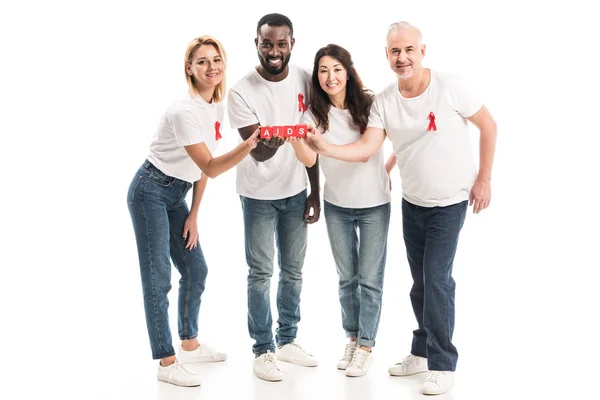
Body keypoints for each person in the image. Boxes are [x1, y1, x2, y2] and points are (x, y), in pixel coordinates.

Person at [305, 22, 497, 395]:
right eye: (395, 51)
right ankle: (422, 352)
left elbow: (489, 127)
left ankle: (443, 364)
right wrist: (384, 168)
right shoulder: (386, 102)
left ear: (422, 51)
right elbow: (368, 149)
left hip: (450, 201)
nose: (402, 57)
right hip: (412, 202)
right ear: (387, 56)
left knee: (437, 280)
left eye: (409, 50)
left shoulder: (452, 86)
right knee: (421, 284)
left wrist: (484, 179)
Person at [127, 35, 260, 387]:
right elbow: (212, 166)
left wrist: (194, 214)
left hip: (176, 194)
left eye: (216, 60)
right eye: (202, 61)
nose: (212, 67)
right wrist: (248, 146)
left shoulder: (216, 107)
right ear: (190, 69)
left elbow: (201, 171)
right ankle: (167, 361)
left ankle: (189, 343)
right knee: (158, 280)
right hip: (150, 192)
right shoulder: (183, 111)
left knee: (195, 268)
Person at [227, 13, 320, 382]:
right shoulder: (240, 91)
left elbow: (312, 141)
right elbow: (259, 153)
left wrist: (315, 191)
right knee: (261, 273)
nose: (274, 50)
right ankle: (263, 349)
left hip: (296, 191)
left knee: (294, 271)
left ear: (292, 44)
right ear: (256, 44)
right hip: (258, 196)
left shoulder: (304, 79)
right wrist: (272, 140)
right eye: (267, 43)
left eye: (282, 43)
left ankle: (288, 340)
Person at [292, 44, 391, 377]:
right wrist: (296, 140)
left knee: (370, 280)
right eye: (322, 70)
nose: (330, 76)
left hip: (375, 204)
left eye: (336, 69)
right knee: (347, 279)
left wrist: (386, 168)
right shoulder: (313, 115)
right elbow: (309, 160)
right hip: (337, 205)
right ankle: (352, 338)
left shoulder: (371, 104)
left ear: (348, 70)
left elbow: (366, 152)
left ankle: (366, 346)